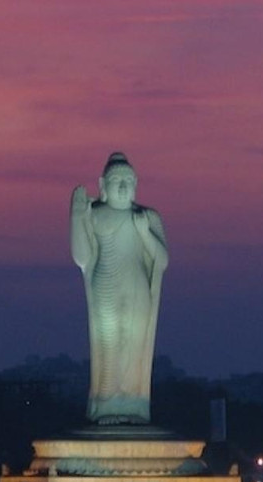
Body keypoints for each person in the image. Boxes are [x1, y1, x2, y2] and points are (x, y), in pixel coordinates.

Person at [70, 152, 169, 424]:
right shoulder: (94, 214)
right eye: (116, 181)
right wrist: (77, 217)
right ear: (103, 185)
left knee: (133, 345)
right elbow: (82, 257)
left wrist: (144, 233)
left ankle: (134, 405)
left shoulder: (147, 216)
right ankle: (106, 405)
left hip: (136, 287)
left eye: (128, 181)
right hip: (106, 283)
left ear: (136, 184)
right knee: (109, 344)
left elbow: (161, 261)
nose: (123, 187)